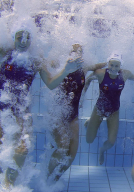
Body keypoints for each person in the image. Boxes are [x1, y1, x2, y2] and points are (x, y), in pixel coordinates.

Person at [0, 0, 83, 187]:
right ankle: (10, 184)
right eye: (19, 36)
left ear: (32, 38)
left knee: (23, 149)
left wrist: (66, 70)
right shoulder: (4, 50)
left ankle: (8, 187)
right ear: (14, 37)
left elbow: (52, 83)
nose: (23, 40)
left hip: (21, 111)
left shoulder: (36, 60)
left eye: (27, 36)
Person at [45, 44, 106, 182]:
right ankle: (45, 178)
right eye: (74, 51)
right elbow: (47, 65)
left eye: (80, 52)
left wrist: (111, 63)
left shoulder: (83, 68)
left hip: (73, 115)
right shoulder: (61, 66)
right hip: (58, 113)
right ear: (69, 53)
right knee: (62, 148)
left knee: (72, 152)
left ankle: (55, 178)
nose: (77, 54)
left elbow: (96, 66)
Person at [84, 52, 134, 165]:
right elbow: (88, 80)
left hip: (114, 111)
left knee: (111, 142)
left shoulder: (125, 74)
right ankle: (91, 121)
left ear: (120, 66)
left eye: (116, 66)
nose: (113, 68)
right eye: (111, 65)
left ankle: (102, 151)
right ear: (108, 64)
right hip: (99, 109)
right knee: (89, 140)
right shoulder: (100, 73)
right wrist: (83, 95)